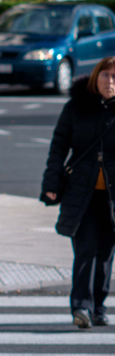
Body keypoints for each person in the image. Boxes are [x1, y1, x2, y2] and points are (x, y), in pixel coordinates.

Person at [42, 57, 115, 328]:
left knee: (106, 252)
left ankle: (99, 306)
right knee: (85, 249)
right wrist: (50, 184)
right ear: (96, 78)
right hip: (81, 192)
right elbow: (58, 146)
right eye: (106, 75)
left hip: (111, 196)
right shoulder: (76, 107)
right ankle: (81, 307)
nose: (110, 81)